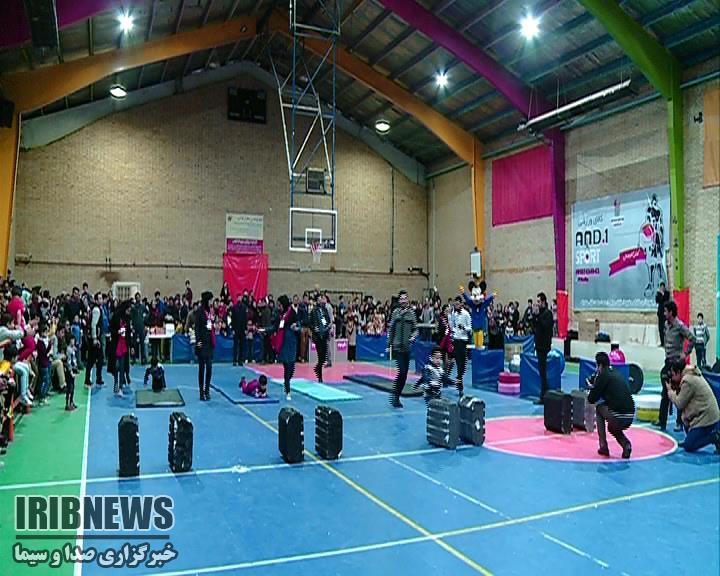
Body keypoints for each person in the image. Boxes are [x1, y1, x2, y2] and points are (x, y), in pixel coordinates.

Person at [656, 301, 696, 432]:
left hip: (677, 364)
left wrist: (685, 354)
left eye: (665, 311)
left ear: (671, 312)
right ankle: (662, 420)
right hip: (668, 363)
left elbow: (692, 338)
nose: (664, 313)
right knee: (665, 392)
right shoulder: (666, 325)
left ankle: (680, 422)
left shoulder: (680, 326)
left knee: (679, 392)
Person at [666, 359, 720, 453]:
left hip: (707, 417)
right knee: (685, 419)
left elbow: (679, 403)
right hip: (703, 413)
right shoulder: (690, 374)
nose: (672, 378)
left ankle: (714, 437)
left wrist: (670, 392)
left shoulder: (688, 381)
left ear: (678, 372)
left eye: (673, 375)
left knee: (689, 446)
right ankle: (693, 437)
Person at [587, 352, 635, 459]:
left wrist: (593, 387)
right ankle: (626, 444)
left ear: (599, 365)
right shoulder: (616, 373)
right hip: (630, 416)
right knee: (612, 428)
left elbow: (591, 399)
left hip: (618, 416)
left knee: (599, 409)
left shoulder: (602, 375)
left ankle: (603, 446)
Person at [387, 290, 418, 408]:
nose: (404, 301)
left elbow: (415, 329)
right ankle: (395, 396)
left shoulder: (411, 314)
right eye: (402, 299)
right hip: (397, 347)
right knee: (402, 371)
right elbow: (391, 329)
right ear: (399, 301)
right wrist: (389, 344)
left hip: (407, 348)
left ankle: (397, 395)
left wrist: (413, 336)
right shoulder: (395, 313)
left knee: (404, 375)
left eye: (405, 298)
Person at [273, 295, 300, 400]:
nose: (278, 307)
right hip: (283, 342)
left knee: (291, 367)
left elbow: (299, 325)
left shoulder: (292, 313)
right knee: (286, 367)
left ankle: (287, 382)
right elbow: (275, 327)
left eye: (279, 305)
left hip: (292, 342)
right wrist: (264, 330)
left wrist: (296, 328)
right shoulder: (279, 315)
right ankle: (287, 389)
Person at [534, 292, 554, 405]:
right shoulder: (540, 314)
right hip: (538, 345)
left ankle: (544, 396)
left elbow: (546, 326)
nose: (537, 304)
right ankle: (543, 394)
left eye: (538, 301)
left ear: (543, 302)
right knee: (541, 372)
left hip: (544, 346)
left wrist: (538, 316)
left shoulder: (548, 314)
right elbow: (536, 327)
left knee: (543, 372)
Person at [109, 301, 133, 397]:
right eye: (128, 310)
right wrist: (117, 332)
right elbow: (111, 328)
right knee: (116, 366)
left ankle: (120, 387)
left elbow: (129, 333)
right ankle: (116, 384)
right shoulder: (116, 316)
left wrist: (131, 345)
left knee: (123, 366)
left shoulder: (127, 318)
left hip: (124, 345)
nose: (129, 312)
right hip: (116, 344)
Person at [449, 296, 471, 395]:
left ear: (461, 304)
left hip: (463, 341)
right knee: (458, 363)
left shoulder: (466, 314)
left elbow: (470, 328)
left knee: (463, 363)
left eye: (458, 304)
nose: (456, 305)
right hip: (456, 340)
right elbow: (451, 326)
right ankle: (460, 384)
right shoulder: (454, 314)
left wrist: (464, 327)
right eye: (455, 304)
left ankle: (459, 377)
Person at [195, 291, 215, 401]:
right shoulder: (199, 311)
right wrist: (198, 340)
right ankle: (201, 392)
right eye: (210, 300)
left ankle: (207, 390)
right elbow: (197, 327)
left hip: (209, 342)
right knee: (202, 368)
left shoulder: (210, 311)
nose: (212, 302)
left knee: (209, 367)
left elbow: (211, 324)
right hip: (202, 342)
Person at [310, 294, 331, 383]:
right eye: (318, 300)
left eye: (320, 299)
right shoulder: (313, 311)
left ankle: (318, 369)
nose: (320, 301)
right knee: (320, 356)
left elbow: (327, 321)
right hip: (317, 337)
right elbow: (310, 323)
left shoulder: (324, 310)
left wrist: (327, 326)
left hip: (324, 335)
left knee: (323, 357)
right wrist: (313, 328)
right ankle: (320, 376)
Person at [231, 294, 248, 366]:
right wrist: (233, 329)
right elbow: (233, 319)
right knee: (235, 346)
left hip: (242, 329)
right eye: (238, 297)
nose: (240, 298)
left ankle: (240, 360)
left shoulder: (244, 307)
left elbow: (245, 319)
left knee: (241, 345)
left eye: (240, 297)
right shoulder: (234, 307)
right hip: (236, 329)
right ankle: (234, 360)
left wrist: (245, 329)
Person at [64, 336, 79, 411]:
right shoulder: (68, 350)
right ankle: (68, 404)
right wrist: (70, 372)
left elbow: (74, 360)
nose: (73, 342)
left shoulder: (73, 349)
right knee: (69, 388)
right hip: (69, 371)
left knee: (72, 387)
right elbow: (68, 362)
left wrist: (75, 368)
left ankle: (71, 402)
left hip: (73, 369)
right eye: (72, 340)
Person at [655, 282, 670, 346]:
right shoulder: (658, 293)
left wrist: (663, 294)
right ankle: (662, 342)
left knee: (665, 328)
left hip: (665, 313)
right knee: (660, 328)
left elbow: (666, 300)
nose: (662, 288)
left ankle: (666, 342)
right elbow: (657, 301)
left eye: (663, 287)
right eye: (661, 287)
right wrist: (660, 294)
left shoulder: (667, 293)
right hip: (660, 313)